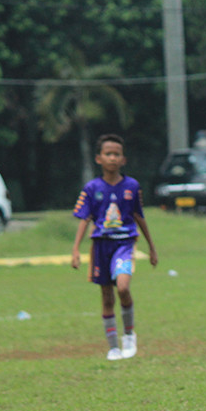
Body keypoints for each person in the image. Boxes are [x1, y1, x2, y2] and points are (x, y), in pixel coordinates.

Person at [71, 134, 158, 360]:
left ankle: (129, 335)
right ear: (99, 158)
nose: (112, 158)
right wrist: (75, 251)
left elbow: (139, 216)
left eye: (116, 154)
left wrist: (152, 247)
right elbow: (84, 219)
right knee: (107, 297)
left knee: (122, 288)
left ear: (123, 159)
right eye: (108, 154)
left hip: (124, 243)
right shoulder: (92, 188)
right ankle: (113, 347)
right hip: (101, 246)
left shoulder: (131, 186)